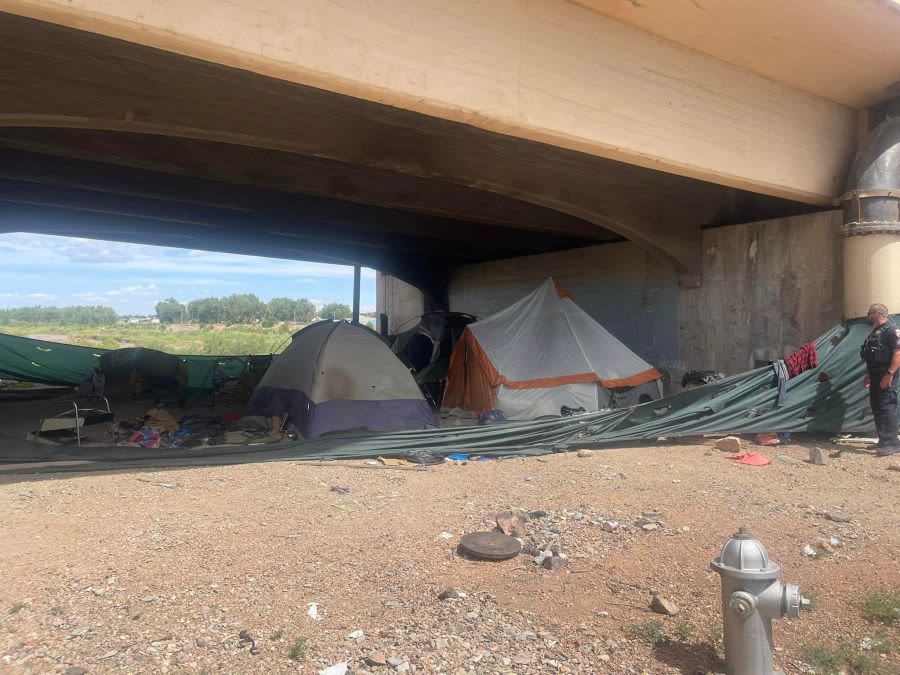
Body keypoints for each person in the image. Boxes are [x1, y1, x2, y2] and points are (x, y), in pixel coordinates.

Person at [860, 303, 900, 456]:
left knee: (886, 406)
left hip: (886, 374)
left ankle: (892, 443)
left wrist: (890, 373)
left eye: (870, 312)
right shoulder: (874, 333)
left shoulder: (891, 330)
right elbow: (873, 358)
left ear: (877, 313)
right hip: (875, 375)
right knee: (877, 406)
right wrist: (868, 375)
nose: (868, 315)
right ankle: (883, 441)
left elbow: (898, 354)